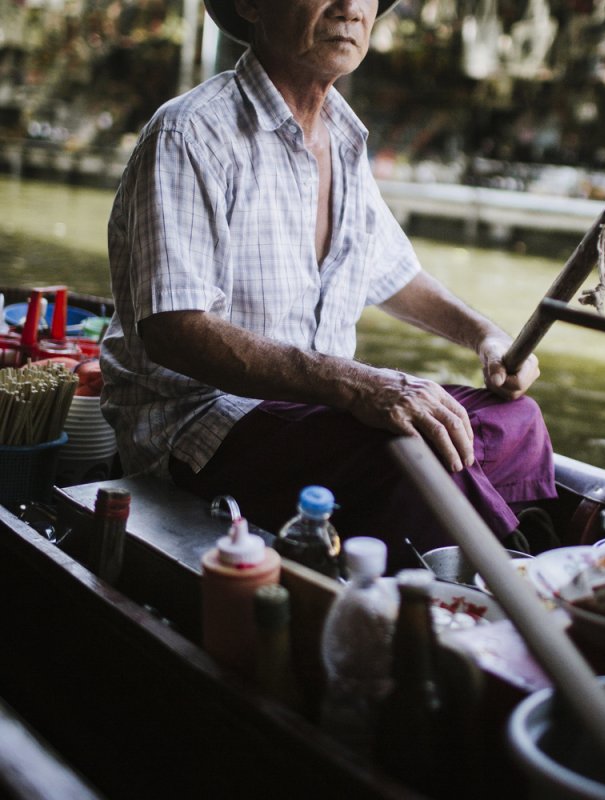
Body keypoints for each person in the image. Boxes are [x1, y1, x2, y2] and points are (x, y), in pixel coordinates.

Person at [100, 0, 557, 572]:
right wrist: (358, 385)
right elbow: (175, 332)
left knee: (516, 421)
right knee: (411, 456)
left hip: (320, 414)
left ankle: (500, 562)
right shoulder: (189, 133)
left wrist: (487, 336)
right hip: (201, 428)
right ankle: (501, 578)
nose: (349, 8)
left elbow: (394, 274)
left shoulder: (342, 135)